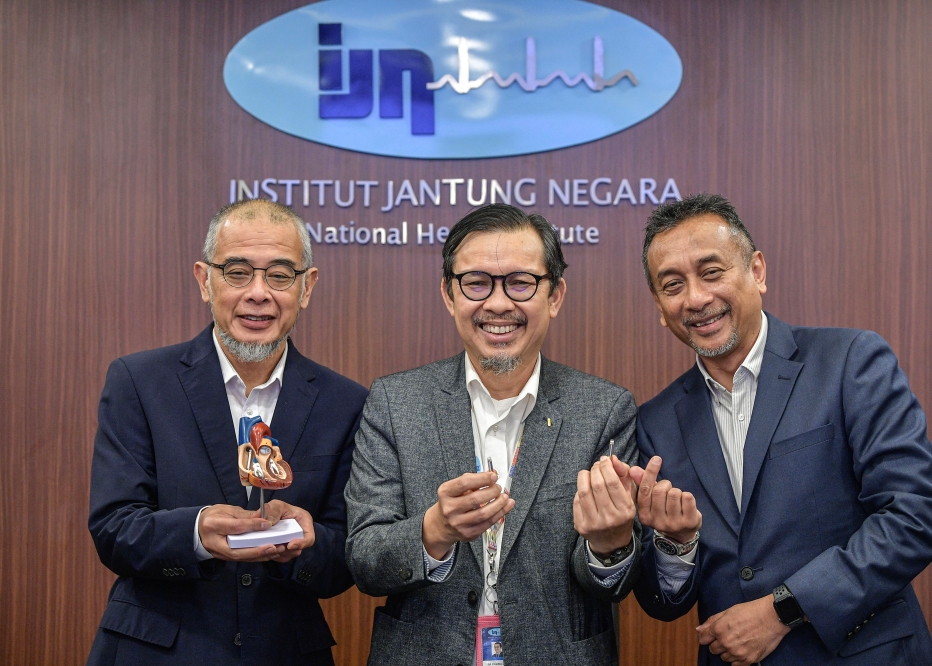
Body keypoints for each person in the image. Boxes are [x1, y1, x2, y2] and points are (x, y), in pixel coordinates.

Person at [629, 194, 932, 666]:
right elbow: (664, 602)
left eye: (712, 272)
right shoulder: (657, 422)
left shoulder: (849, 362)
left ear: (757, 271)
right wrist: (676, 547)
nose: (696, 298)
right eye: (673, 284)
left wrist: (783, 609)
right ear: (660, 306)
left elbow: (918, 515)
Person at [345, 204, 641, 666]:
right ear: (449, 295)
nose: (498, 304)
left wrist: (610, 545)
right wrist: (434, 531)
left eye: (520, 282)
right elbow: (364, 560)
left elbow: (615, 584)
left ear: (555, 295)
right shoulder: (394, 402)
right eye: (477, 283)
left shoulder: (604, 410)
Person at [87, 200, 367, 665]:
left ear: (306, 287)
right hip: (157, 650)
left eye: (280, 275)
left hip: (285, 652)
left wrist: (307, 540)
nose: (258, 293)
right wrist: (197, 532)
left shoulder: (346, 402)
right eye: (237, 272)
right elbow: (114, 528)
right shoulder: (139, 381)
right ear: (204, 279)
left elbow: (347, 556)